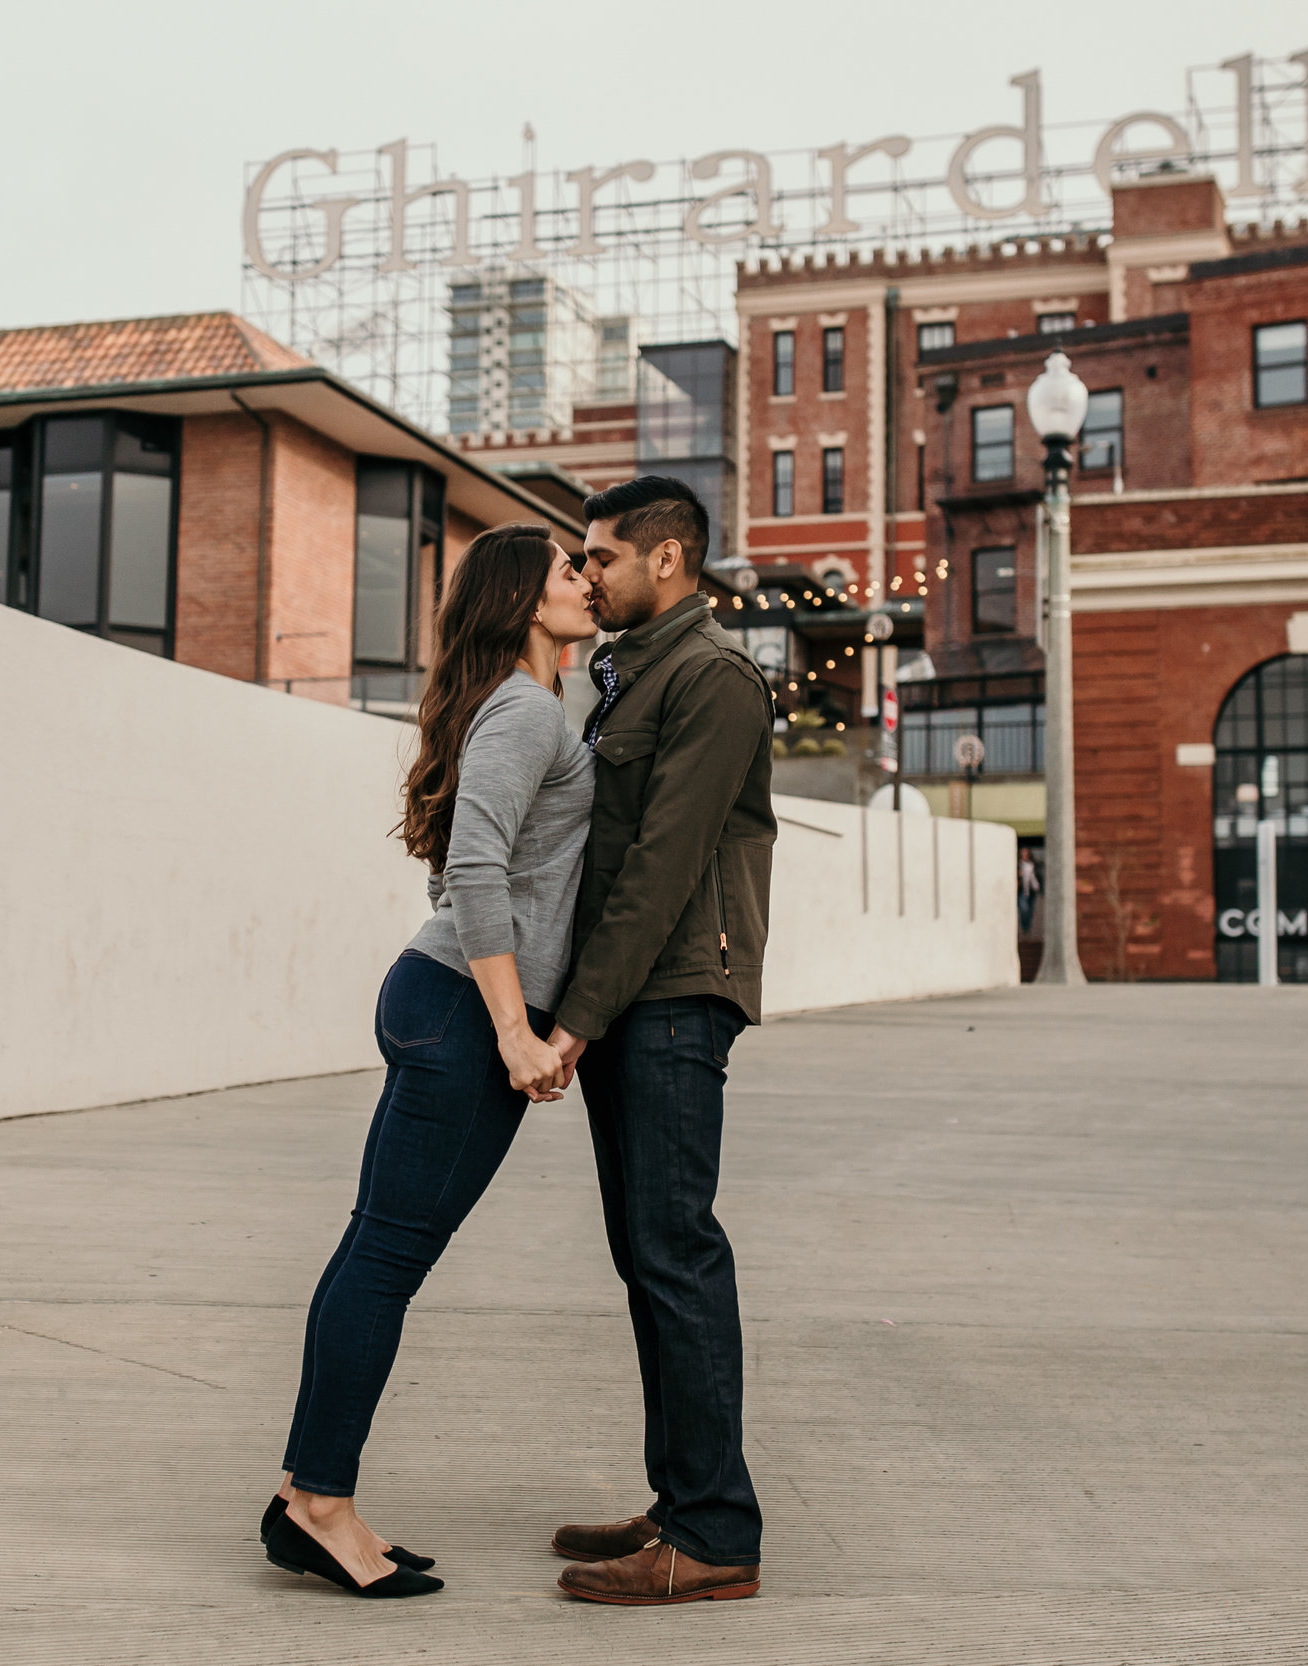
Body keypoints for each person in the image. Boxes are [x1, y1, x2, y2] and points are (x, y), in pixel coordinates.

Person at [263, 524, 598, 1598]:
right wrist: (512, 1027)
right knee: (387, 1258)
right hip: (461, 1011)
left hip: (443, 997)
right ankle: (319, 1501)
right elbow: (475, 864)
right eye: (565, 571)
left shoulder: (515, 704)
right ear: (520, 599)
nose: (585, 580)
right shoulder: (526, 710)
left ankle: (302, 1493)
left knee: (373, 1247)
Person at [540, 476, 776, 1607]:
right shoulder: (629, 671)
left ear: (668, 559)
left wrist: (574, 1018)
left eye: (600, 559)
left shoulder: (713, 678)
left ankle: (714, 1532)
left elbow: (662, 867)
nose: (586, 576)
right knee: (647, 1256)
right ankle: (682, 1492)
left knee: (675, 1251)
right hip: (636, 997)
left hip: (676, 995)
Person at [1017, 847, 1042, 934]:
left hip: (1031, 890)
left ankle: (1027, 928)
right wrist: (1019, 874)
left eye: (1026, 852)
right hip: (1021, 889)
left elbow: (1038, 876)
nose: (1024, 854)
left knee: (1030, 910)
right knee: (1024, 909)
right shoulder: (1018, 864)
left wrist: (1040, 888)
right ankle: (1024, 926)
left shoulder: (1033, 864)